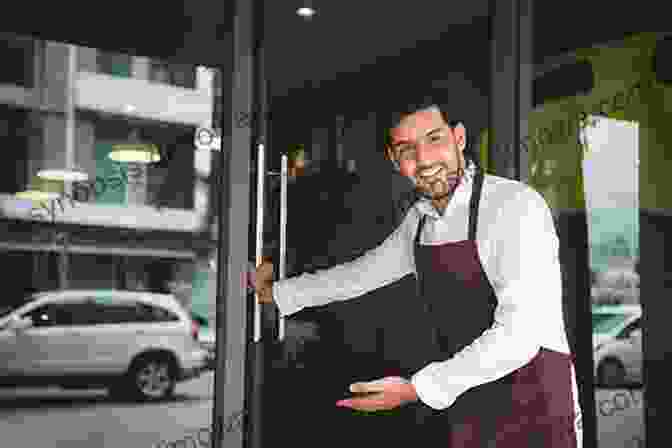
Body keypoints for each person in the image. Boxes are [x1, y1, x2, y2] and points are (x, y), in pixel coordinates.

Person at [251, 89, 583, 447]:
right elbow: (357, 276)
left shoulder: (515, 206)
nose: (424, 160)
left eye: (434, 139)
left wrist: (414, 389)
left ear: (459, 139)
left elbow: (520, 335)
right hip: (469, 404)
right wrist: (276, 292)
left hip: (536, 404)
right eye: (408, 149)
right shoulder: (420, 223)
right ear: (395, 160)